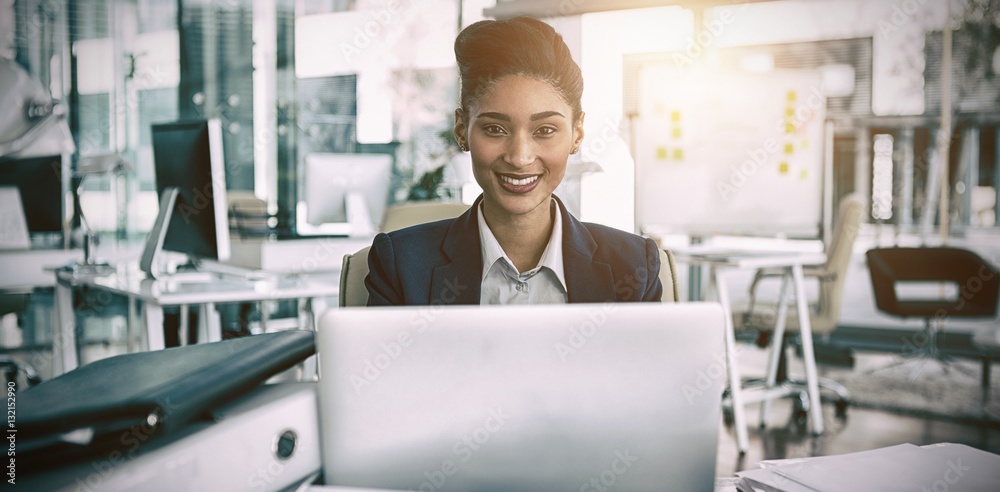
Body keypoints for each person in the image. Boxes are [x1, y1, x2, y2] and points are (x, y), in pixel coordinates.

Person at [365, 16, 662, 305]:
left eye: (545, 130)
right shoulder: (401, 264)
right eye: (495, 129)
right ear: (461, 130)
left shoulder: (633, 266)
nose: (520, 157)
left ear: (577, 133)